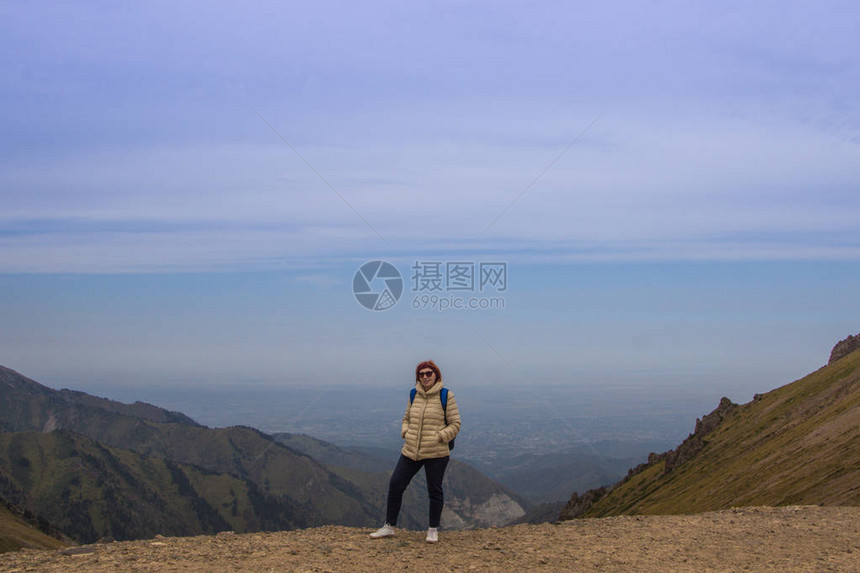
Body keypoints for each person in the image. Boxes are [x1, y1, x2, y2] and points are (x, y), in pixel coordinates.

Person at [370, 360, 461, 543]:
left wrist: (440, 436)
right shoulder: (414, 394)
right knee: (396, 484)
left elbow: (455, 423)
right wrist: (406, 431)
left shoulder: (446, 395)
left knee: (434, 490)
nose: (425, 376)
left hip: (436, 452)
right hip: (411, 450)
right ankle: (389, 526)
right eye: (422, 374)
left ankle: (433, 529)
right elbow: (406, 418)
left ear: (436, 375)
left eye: (429, 373)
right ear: (418, 376)